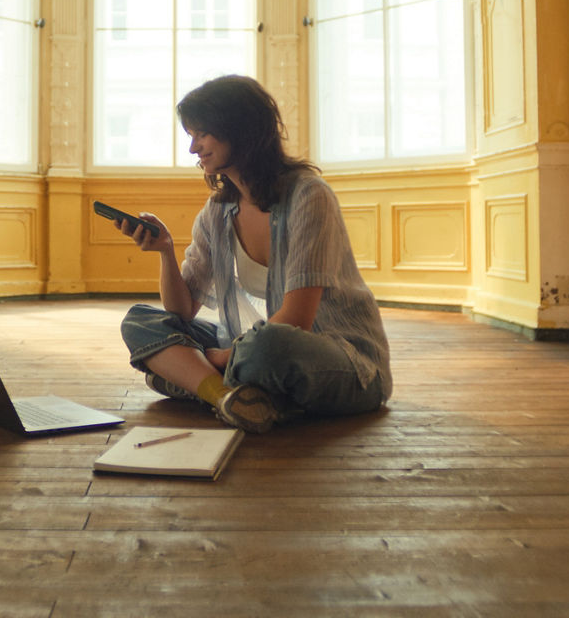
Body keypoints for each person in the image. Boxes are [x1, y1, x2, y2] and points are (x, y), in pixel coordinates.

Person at [108, 75, 392, 433]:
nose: (194, 148)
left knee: (268, 346)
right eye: (191, 137)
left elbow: (296, 321)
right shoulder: (217, 210)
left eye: (201, 134)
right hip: (250, 349)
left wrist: (215, 357)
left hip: (341, 359)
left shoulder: (308, 196)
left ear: (238, 128)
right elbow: (181, 311)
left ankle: (192, 379)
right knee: (141, 321)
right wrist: (165, 251)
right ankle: (228, 397)